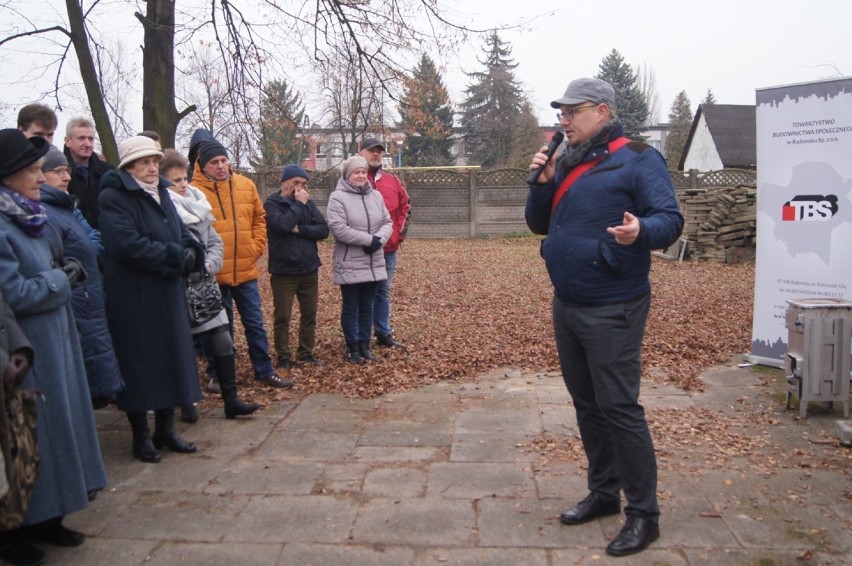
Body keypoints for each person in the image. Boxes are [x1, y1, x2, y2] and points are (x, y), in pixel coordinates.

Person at [525, 78, 684, 557]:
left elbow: (670, 220)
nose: (563, 121)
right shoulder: (568, 161)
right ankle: (603, 493)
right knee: (587, 404)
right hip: (567, 301)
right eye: (561, 113)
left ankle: (644, 514)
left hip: (614, 301)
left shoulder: (637, 156)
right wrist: (544, 183)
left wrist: (642, 231)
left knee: (618, 406)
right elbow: (538, 223)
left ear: (601, 110)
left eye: (571, 112)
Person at [0, 129, 106, 566]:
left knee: (58, 428)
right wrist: (61, 279)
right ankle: (17, 528)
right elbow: (12, 291)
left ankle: (50, 515)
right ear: (8, 177)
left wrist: (61, 269)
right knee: (29, 435)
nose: (38, 177)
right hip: (27, 346)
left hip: (56, 335)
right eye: (30, 170)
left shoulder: (27, 214)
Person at [98, 136, 206, 464]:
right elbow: (127, 245)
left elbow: (180, 231)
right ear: (128, 166)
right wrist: (175, 257)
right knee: (141, 365)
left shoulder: (161, 192)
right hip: (135, 296)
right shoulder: (113, 197)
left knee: (171, 359)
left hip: (167, 292)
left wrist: (192, 250)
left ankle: (166, 430)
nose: (151, 167)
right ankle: (141, 437)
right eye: (144, 161)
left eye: (155, 161)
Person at [160, 149, 260, 419]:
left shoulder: (198, 203)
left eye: (183, 178)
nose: (182, 185)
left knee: (223, 340)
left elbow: (215, 240)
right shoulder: (163, 210)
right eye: (175, 181)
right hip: (179, 290)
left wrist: (209, 264)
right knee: (183, 347)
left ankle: (231, 400)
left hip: (206, 284)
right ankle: (186, 401)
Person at [191, 139, 291, 388]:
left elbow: (260, 219)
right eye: (214, 163)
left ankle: (264, 370)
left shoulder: (246, 185)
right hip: (214, 274)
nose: (221, 166)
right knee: (219, 328)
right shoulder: (194, 192)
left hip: (245, 270)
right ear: (203, 166)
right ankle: (219, 375)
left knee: (255, 323)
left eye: (224, 160)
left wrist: (255, 248)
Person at [39, 146, 124, 410]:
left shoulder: (68, 207)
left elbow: (94, 239)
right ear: (41, 176)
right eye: (58, 171)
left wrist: (86, 251)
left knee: (95, 357)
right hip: (75, 294)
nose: (66, 177)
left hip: (90, 292)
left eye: (66, 170)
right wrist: (83, 253)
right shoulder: (43, 213)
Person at [326, 156, 392, 364]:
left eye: (364, 172)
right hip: (350, 262)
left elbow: (387, 221)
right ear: (348, 175)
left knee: (367, 305)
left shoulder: (376, 196)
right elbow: (338, 228)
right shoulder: (337, 197)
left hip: (373, 260)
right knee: (351, 306)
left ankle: (365, 344)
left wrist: (379, 239)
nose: (361, 175)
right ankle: (352, 347)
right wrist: (368, 240)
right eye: (357, 172)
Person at [264, 165, 329, 370]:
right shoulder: (272, 203)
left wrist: (299, 228)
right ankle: (283, 354)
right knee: (283, 315)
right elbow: (282, 225)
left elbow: (323, 230)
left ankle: (305, 352)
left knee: (309, 313)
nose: (299, 188)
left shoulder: (307, 203)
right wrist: (298, 207)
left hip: (309, 267)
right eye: (296, 183)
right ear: (284, 182)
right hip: (284, 270)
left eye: (303, 184)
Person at [358, 138, 410, 349]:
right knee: (361, 293)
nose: (376, 154)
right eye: (372, 151)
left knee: (383, 291)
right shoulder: (355, 179)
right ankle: (359, 337)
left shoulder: (393, 181)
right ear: (361, 153)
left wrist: (397, 236)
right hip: (362, 249)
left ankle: (382, 331)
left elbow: (406, 208)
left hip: (388, 249)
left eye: (379, 151)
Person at [63, 117, 115, 229]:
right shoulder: (58, 173)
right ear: (68, 141)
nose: (87, 144)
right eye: (81, 138)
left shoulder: (108, 172)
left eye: (91, 139)